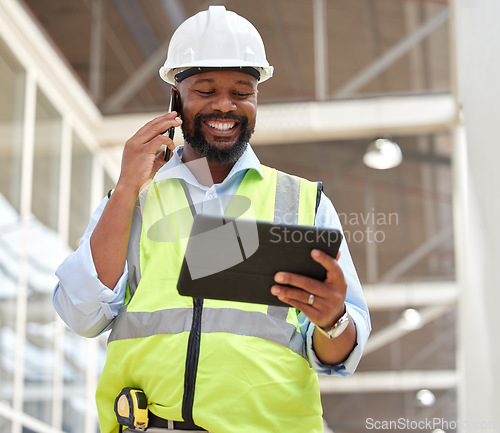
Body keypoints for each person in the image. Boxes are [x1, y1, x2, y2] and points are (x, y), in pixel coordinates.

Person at [53, 6, 370, 433]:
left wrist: (335, 319)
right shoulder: (134, 201)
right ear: (175, 99)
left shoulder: (302, 204)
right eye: (205, 90)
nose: (226, 105)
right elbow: (81, 315)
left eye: (242, 91)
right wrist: (126, 186)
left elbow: (337, 357)